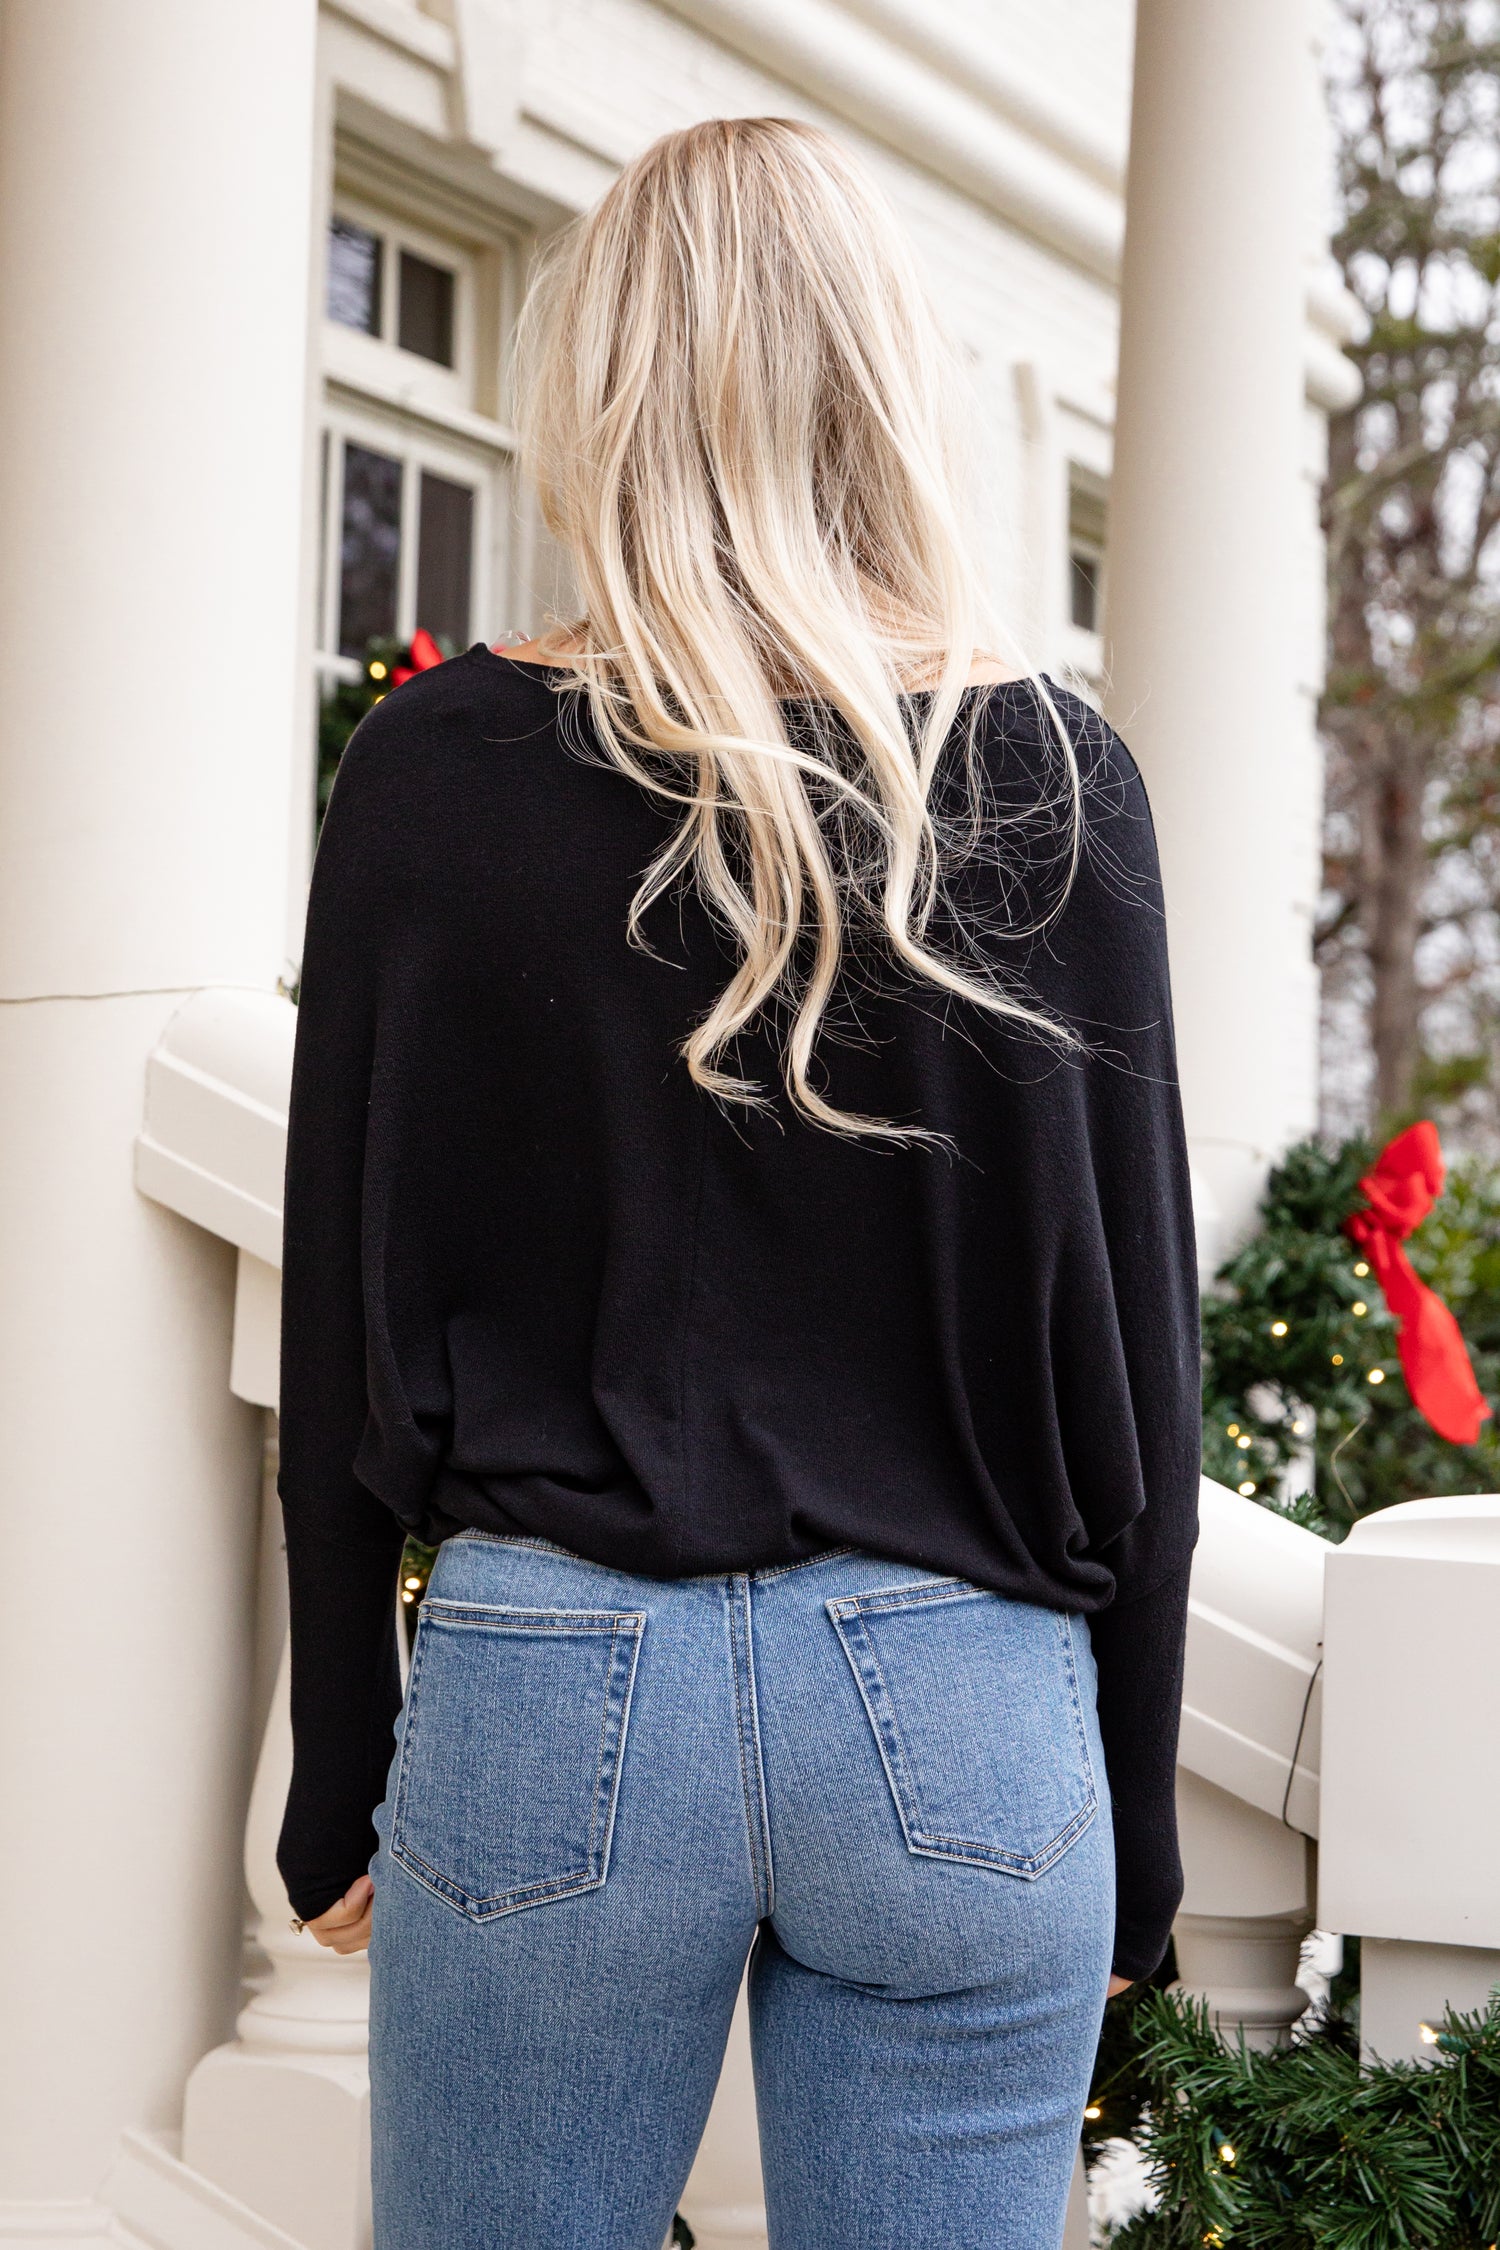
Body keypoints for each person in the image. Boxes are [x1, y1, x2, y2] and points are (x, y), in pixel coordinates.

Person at [277, 116, 1200, 2250]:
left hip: (551, 1693)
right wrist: (1136, 1825)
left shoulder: (432, 772)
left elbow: (344, 1320)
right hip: (965, 1720)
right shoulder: (1055, 780)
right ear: (887, 384)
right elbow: (1138, 1355)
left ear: (599, 377)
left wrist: (342, 1753)